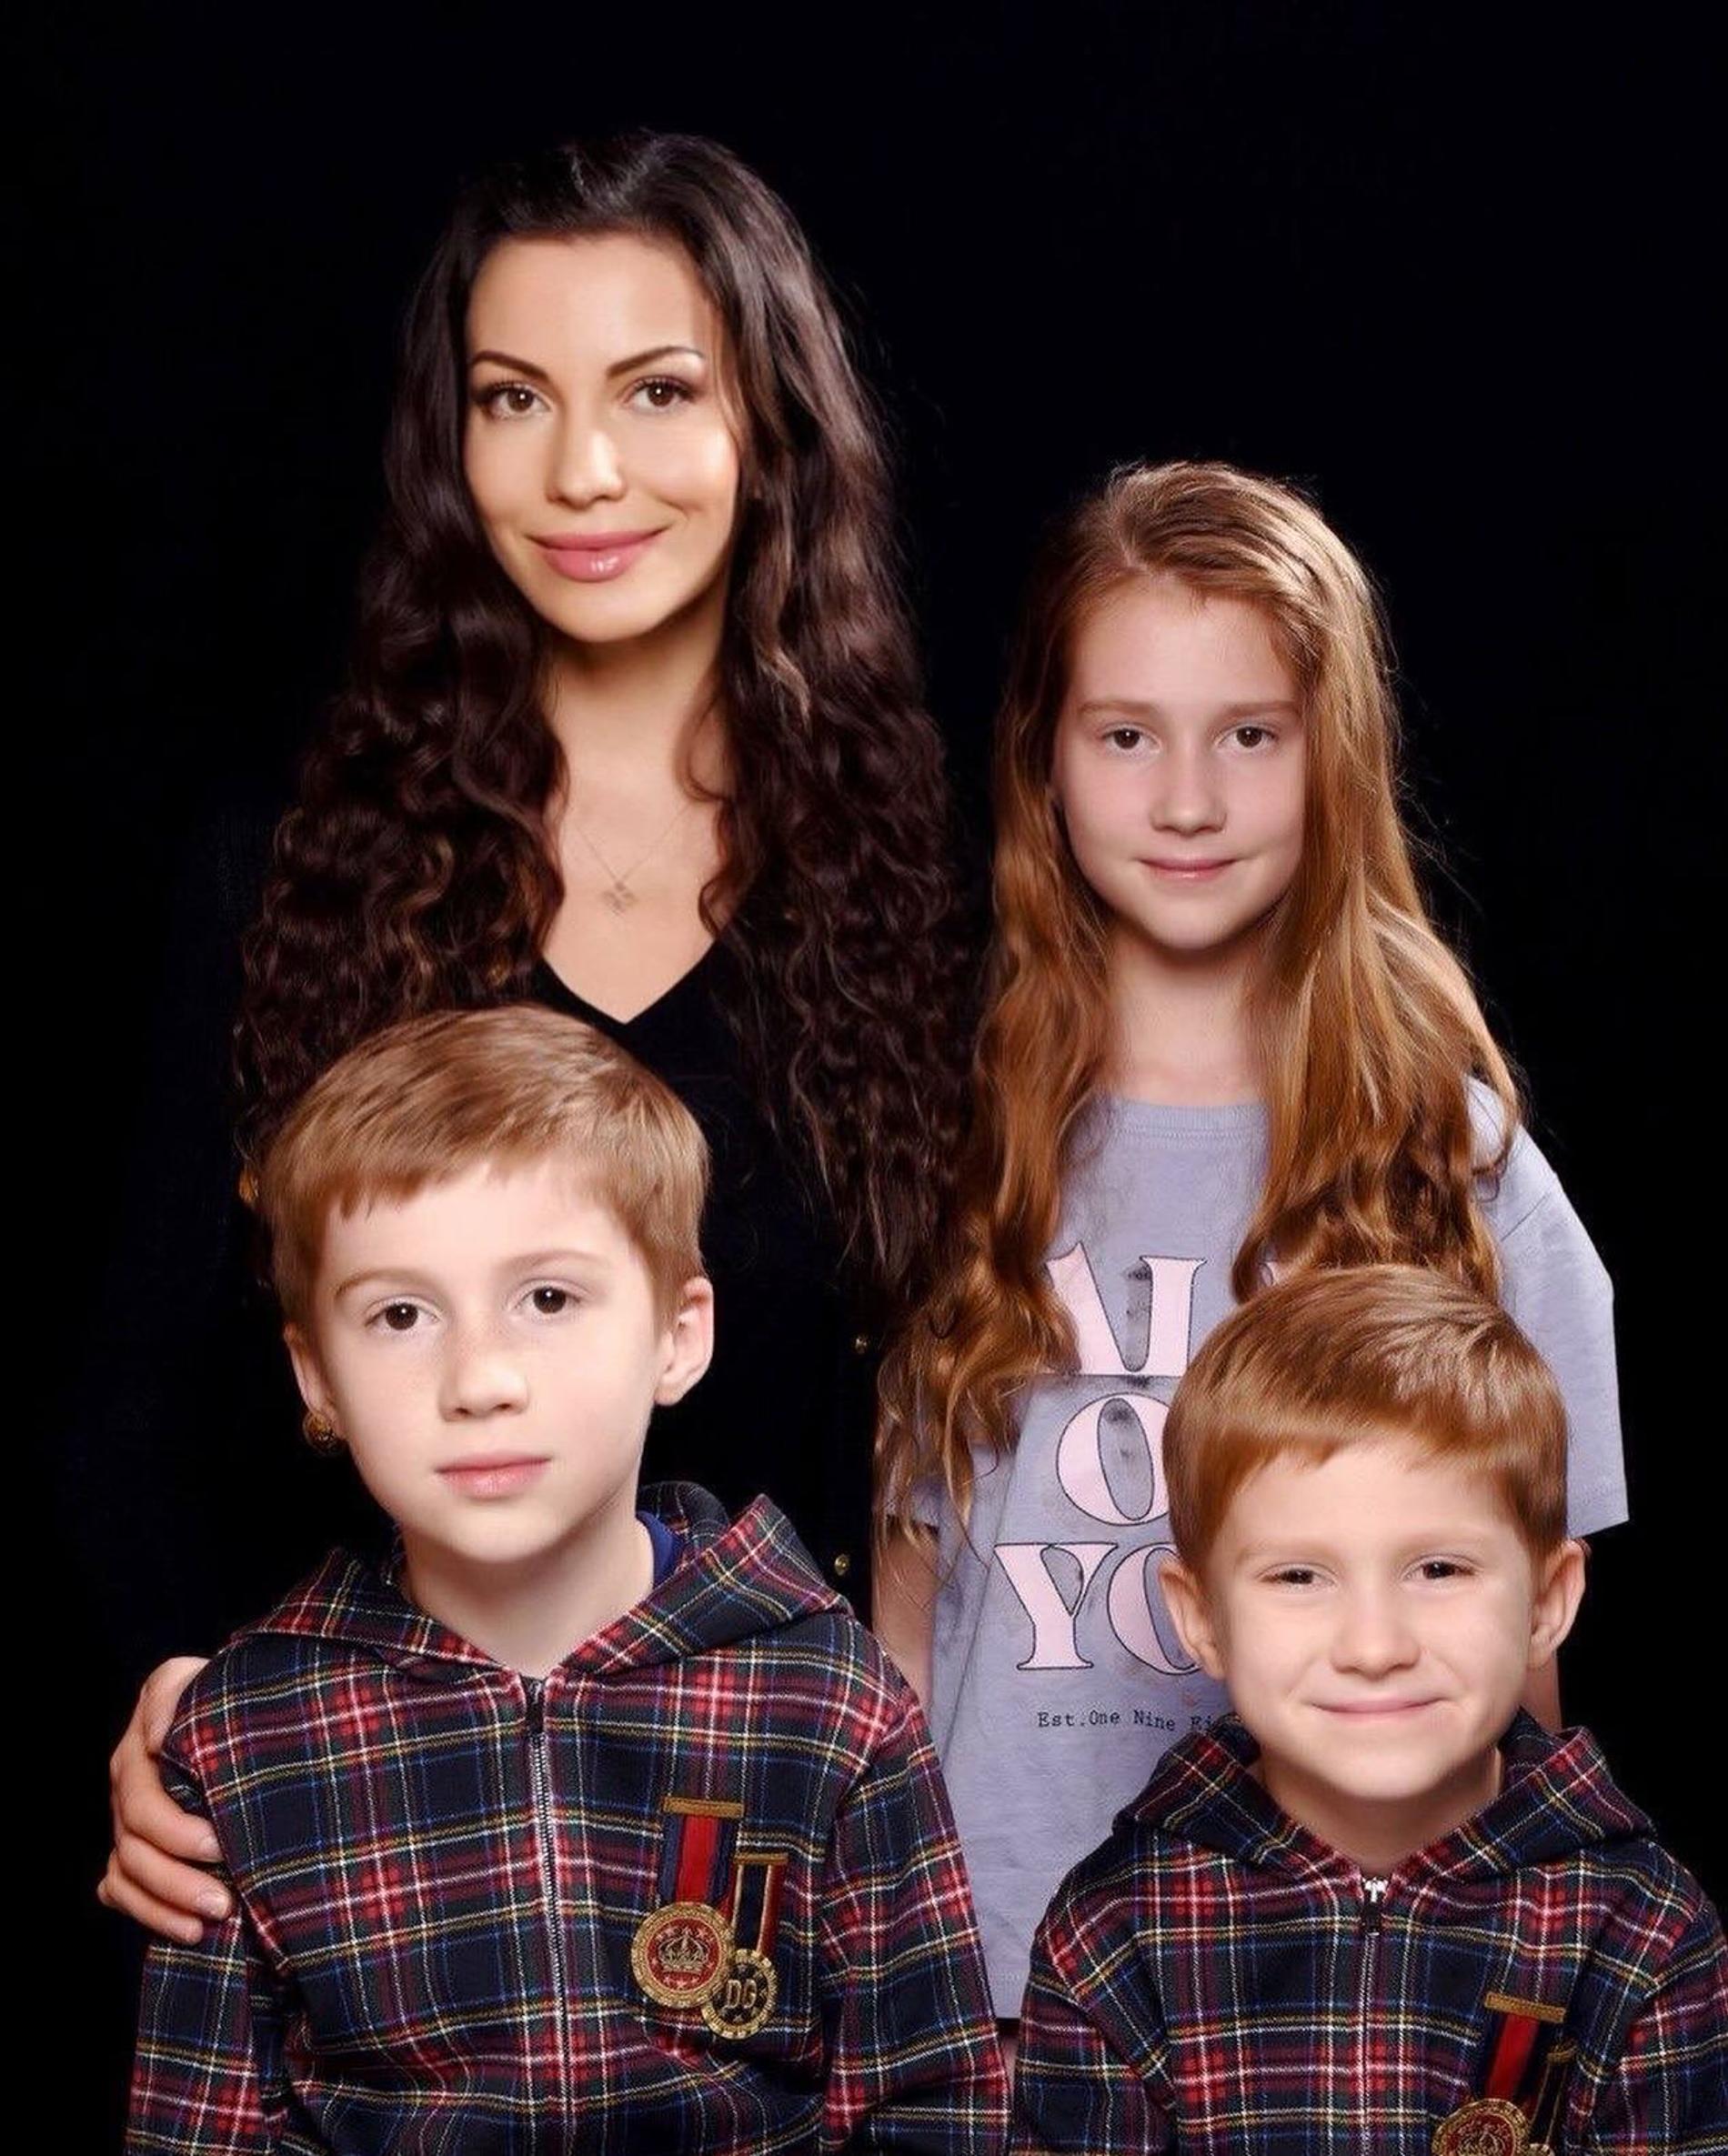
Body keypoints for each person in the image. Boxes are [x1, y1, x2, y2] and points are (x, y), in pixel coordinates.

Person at [97, 131, 972, 1940]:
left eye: (657, 391)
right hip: (382, 1861)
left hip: (780, 1865)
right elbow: (140, 1395)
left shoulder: (925, 893)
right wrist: (169, 1685)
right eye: (514, 397)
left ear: (771, 430)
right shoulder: (286, 874)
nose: (580, 470)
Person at [873, 461, 1625, 2021]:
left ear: (1333, 759)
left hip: (1348, 1999)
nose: (1188, 801)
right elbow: (911, 1596)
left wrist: (1510, 1975)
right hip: (1001, 1984)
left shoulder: (1457, 1164)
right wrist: (901, 1955)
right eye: (1126, 735)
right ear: (1045, 759)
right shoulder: (961, 1144)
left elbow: (1520, 1654)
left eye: (1251, 736)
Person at [126, 1004, 1008, 2152]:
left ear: (677, 1334)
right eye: (400, 1313)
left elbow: (930, 2105)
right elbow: (199, 2129)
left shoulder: (828, 1700)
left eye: (548, 1298)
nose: (480, 1379)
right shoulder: (247, 1736)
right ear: (317, 1378)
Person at [1011, 1266, 1726, 2151]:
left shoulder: (1642, 1929)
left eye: (1439, 1568)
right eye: (1298, 1576)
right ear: (1201, 1618)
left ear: (1546, 1601)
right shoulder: (1114, 1934)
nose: (1374, 1644)